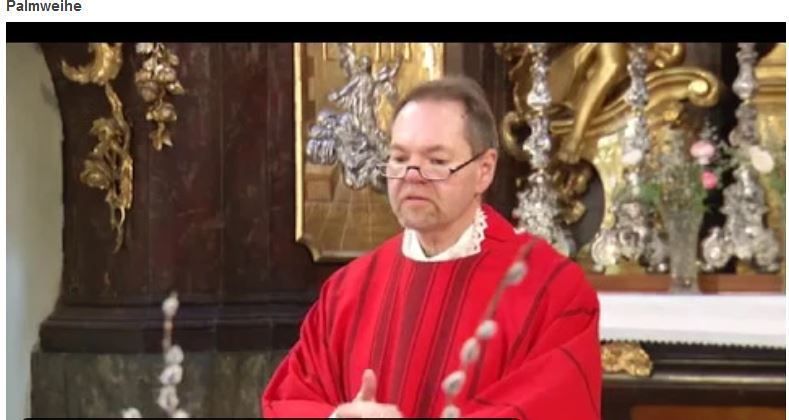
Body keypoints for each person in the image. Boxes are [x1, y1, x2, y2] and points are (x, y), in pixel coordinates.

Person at [261, 76, 601, 419]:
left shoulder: (551, 290)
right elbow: (289, 400)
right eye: (398, 158)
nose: (412, 175)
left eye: (436, 161)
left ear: (484, 170)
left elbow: (553, 406)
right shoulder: (347, 291)